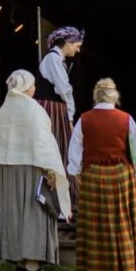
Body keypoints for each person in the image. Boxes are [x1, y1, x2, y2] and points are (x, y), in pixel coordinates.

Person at [0, 69, 73, 271]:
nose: (34, 88)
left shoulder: (5, 109)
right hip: (31, 168)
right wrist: (50, 170)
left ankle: (21, 262)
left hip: (8, 170)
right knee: (33, 212)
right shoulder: (33, 109)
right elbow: (43, 144)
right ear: (25, 87)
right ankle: (31, 265)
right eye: (32, 85)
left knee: (15, 212)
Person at [68, 78, 136, 271]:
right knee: (121, 224)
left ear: (96, 96)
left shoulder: (84, 120)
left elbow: (75, 150)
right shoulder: (126, 119)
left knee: (96, 225)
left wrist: (76, 172)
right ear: (115, 96)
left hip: (94, 177)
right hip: (121, 177)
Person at [36, 26, 84, 206]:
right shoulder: (53, 59)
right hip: (53, 109)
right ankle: (62, 196)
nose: (78, 50)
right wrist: (70, 116)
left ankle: (64, 196)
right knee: (61, 147)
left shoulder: (58, 59)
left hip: (55, 108)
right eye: (77, 45)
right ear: (67, 43)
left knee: (62, 147)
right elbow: (64, 90)